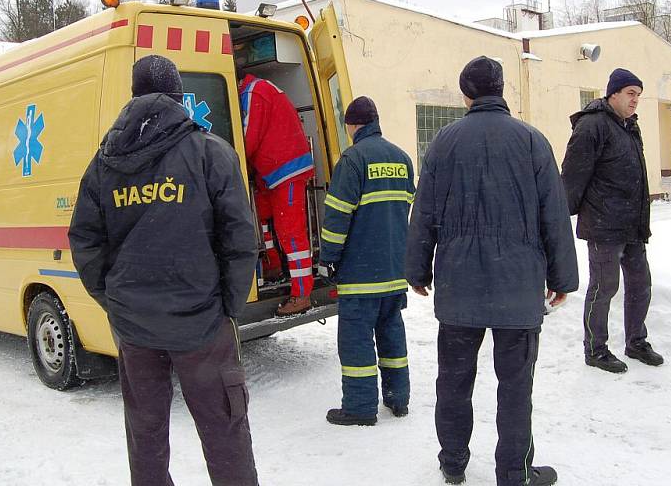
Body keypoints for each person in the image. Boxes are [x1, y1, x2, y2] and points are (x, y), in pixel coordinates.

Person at [69, 55, 259, 486]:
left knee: (146, 438)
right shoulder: (210, 152)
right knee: (225, 431)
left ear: (133, 97)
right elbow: (239, 238)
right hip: (201, 326)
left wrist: (116, 300)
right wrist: (227, 306)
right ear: (179, 97)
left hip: (135, 329)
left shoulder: (104, 163)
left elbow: (84, 239)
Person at [406, 56, 578, 486]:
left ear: (466, 93)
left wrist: (417, 269)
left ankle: (452, 463)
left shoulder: (444, 142)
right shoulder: (532, 141)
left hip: (459, 283)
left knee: (454, 381)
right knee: (516, 387)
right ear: (501, 90)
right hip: (517, 287)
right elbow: (553, 215)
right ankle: (514, 473)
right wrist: (562, 279)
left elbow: (423, 210)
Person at [318, 96, 415, 426]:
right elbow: (404, 210)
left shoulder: (352, 160)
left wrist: (328, 260)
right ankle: (398, 399)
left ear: (351, 125)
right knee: (391, 334)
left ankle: (360, 408)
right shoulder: (402, 159)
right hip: (393, 270)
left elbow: (337, 218)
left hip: (360, 274)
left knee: (356, 340)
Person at [561, 68, 664, 374]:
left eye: (639, 95)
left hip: (633, 223)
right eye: (631, 93)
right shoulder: (592, 125)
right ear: (613, 94)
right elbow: (573, 174)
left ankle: (636, 341)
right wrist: (560, 214)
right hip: (604, 224)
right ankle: (595, 349)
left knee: (640, 284)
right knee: (604, 287)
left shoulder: (630, 126)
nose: (635, 100)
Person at [238, 71, 315, 316]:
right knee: (262, 215)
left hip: (286, 169)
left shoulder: (252, 92)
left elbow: (248, 135)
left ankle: (302, 293)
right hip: (274, 170)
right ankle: (272, 265)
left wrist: (231, 161)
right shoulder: (258, 89)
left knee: (291, 232)